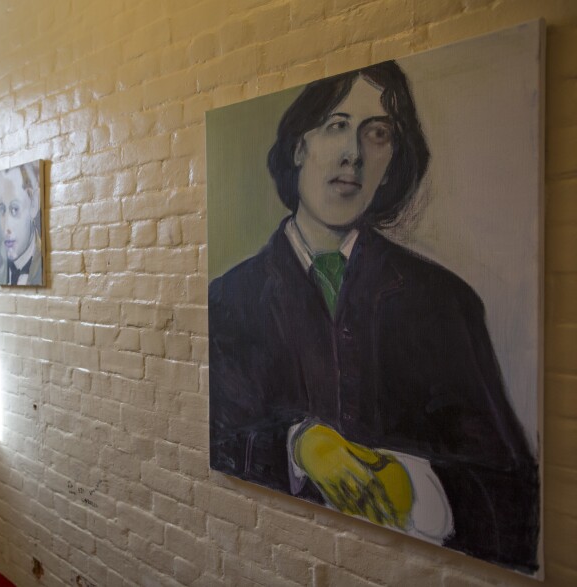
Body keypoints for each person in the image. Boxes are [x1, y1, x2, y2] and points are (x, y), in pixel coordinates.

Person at [208, 61, 539, 573]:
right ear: (300, 146)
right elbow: (215, 445)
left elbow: (514, 499)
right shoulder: (227, 301)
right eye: (336, 126)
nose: (353, 154)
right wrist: (299, 446)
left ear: (391, 159)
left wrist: (416, 486)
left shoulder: (445, 302)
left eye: (377, 133)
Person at [0, 162, 43, 286]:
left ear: (34, 205)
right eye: (2, 210)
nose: (6, 228)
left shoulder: (44, 266)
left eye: (14, 209)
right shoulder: (0, 275)